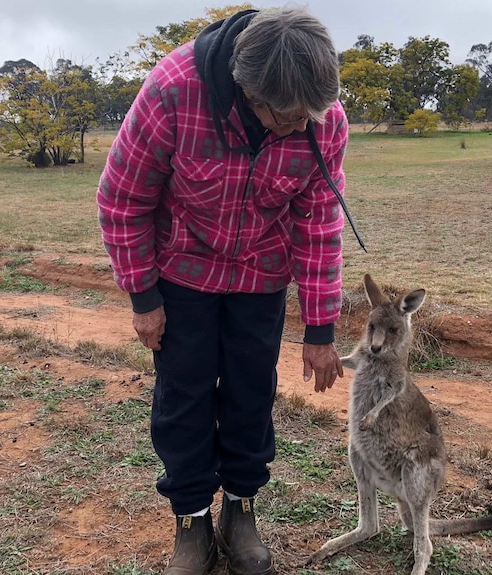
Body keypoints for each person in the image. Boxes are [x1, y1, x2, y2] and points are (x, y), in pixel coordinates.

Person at [97, 7, 354, 575]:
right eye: (285, 117)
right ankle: (191, 519)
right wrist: (143, 298)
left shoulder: (321, 118)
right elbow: (123, 200)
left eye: (309, 116)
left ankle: (241, 510)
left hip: (261, 276)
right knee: (183, 397)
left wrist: (320, 328)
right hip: (181, 272)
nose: (298, 127)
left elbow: (318, 224)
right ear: (246, 90)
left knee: (250, 395)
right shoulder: (172, 90)